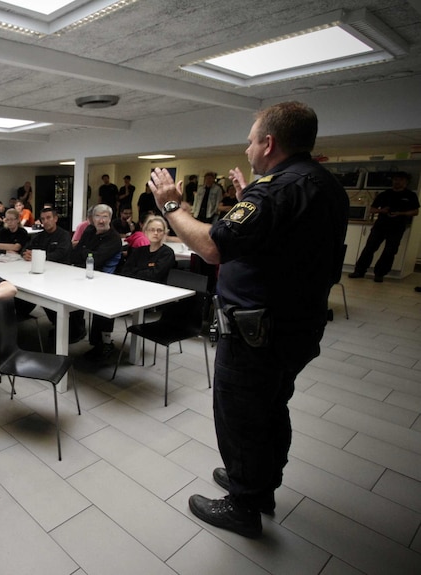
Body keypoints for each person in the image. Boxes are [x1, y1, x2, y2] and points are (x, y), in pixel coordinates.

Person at [149, 101, 348, 538]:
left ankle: (243, 505)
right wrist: (247, 206)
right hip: (299, 325)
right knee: (270, 408)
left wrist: (170, 206)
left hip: (258, 330)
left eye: (251, 137)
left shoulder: (275, 189)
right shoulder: (324, 184)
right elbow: (285, 245)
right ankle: (258, 484)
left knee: (241, 416)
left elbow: (213, 246)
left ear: (269, 142)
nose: (247, 145)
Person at [69, 204, 122, 359]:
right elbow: (77, 253)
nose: (101, 220)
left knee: (101, 300)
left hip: (106, 282)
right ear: (92, 218)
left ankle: (104, 343)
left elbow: (96, 260)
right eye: (98, 216)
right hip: (84, 275)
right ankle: (74, 330)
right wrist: (88, 253)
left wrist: (86, 252)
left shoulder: (114, 238)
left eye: (105, 216)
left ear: (110, 219)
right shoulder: (89, 230)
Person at [348, 171, 419, 282]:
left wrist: (400, 213)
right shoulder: (384, 194)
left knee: (389, 251)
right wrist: (382, 210)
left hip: (397, 227)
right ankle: (359, 271)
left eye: (400, 180)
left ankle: (380, 274)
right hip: (380, 226)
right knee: (369, 249)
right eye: (395, 179)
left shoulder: (410, 195)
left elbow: (415, 211)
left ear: (406, 182)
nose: (397, 182)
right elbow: (372, 209)